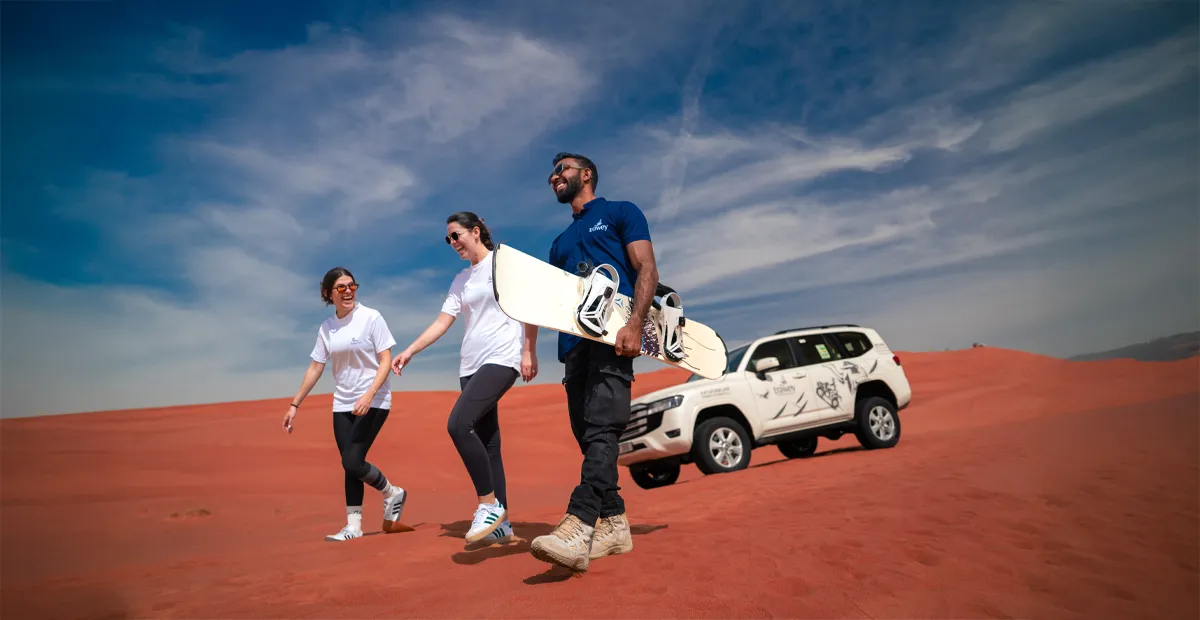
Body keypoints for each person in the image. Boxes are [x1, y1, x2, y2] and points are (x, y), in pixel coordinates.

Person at [529, 152, 657, 572]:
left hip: (613, 338)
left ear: (585, 174)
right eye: (552, 173)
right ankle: (616, 524)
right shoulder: (559, 243)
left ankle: (580, 523)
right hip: (573, 348)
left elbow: (646, 269)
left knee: (604, 426)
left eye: (561, 169)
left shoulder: (621, 212)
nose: (554, 177)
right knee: (588, 436)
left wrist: (636, 324)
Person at [391, 212, 538, 545]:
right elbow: (443, 322)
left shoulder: (505, 263)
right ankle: (502, 525)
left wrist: (529, 350)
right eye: (448, 239)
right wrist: (411, 350)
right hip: (470, 364)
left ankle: (487, 504)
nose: (453, 243)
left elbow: (531, 307)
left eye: (456, 235)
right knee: (489, 445)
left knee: (458, 424)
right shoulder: (461, 280)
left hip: (502, 357)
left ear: (475, 232)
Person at [283, 266, 408, 542]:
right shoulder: (327, 328)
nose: (348, 290)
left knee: (352, 461)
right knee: (349, 464)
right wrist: (295, 404)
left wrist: (369, 394)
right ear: (329, 294)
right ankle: (355, 526)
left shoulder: (371, 317)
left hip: (373, 400)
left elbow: (386, 360)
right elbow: (316, 366)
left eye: (352, 285)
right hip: (342, 403)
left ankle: (391, 493)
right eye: (341, 287)